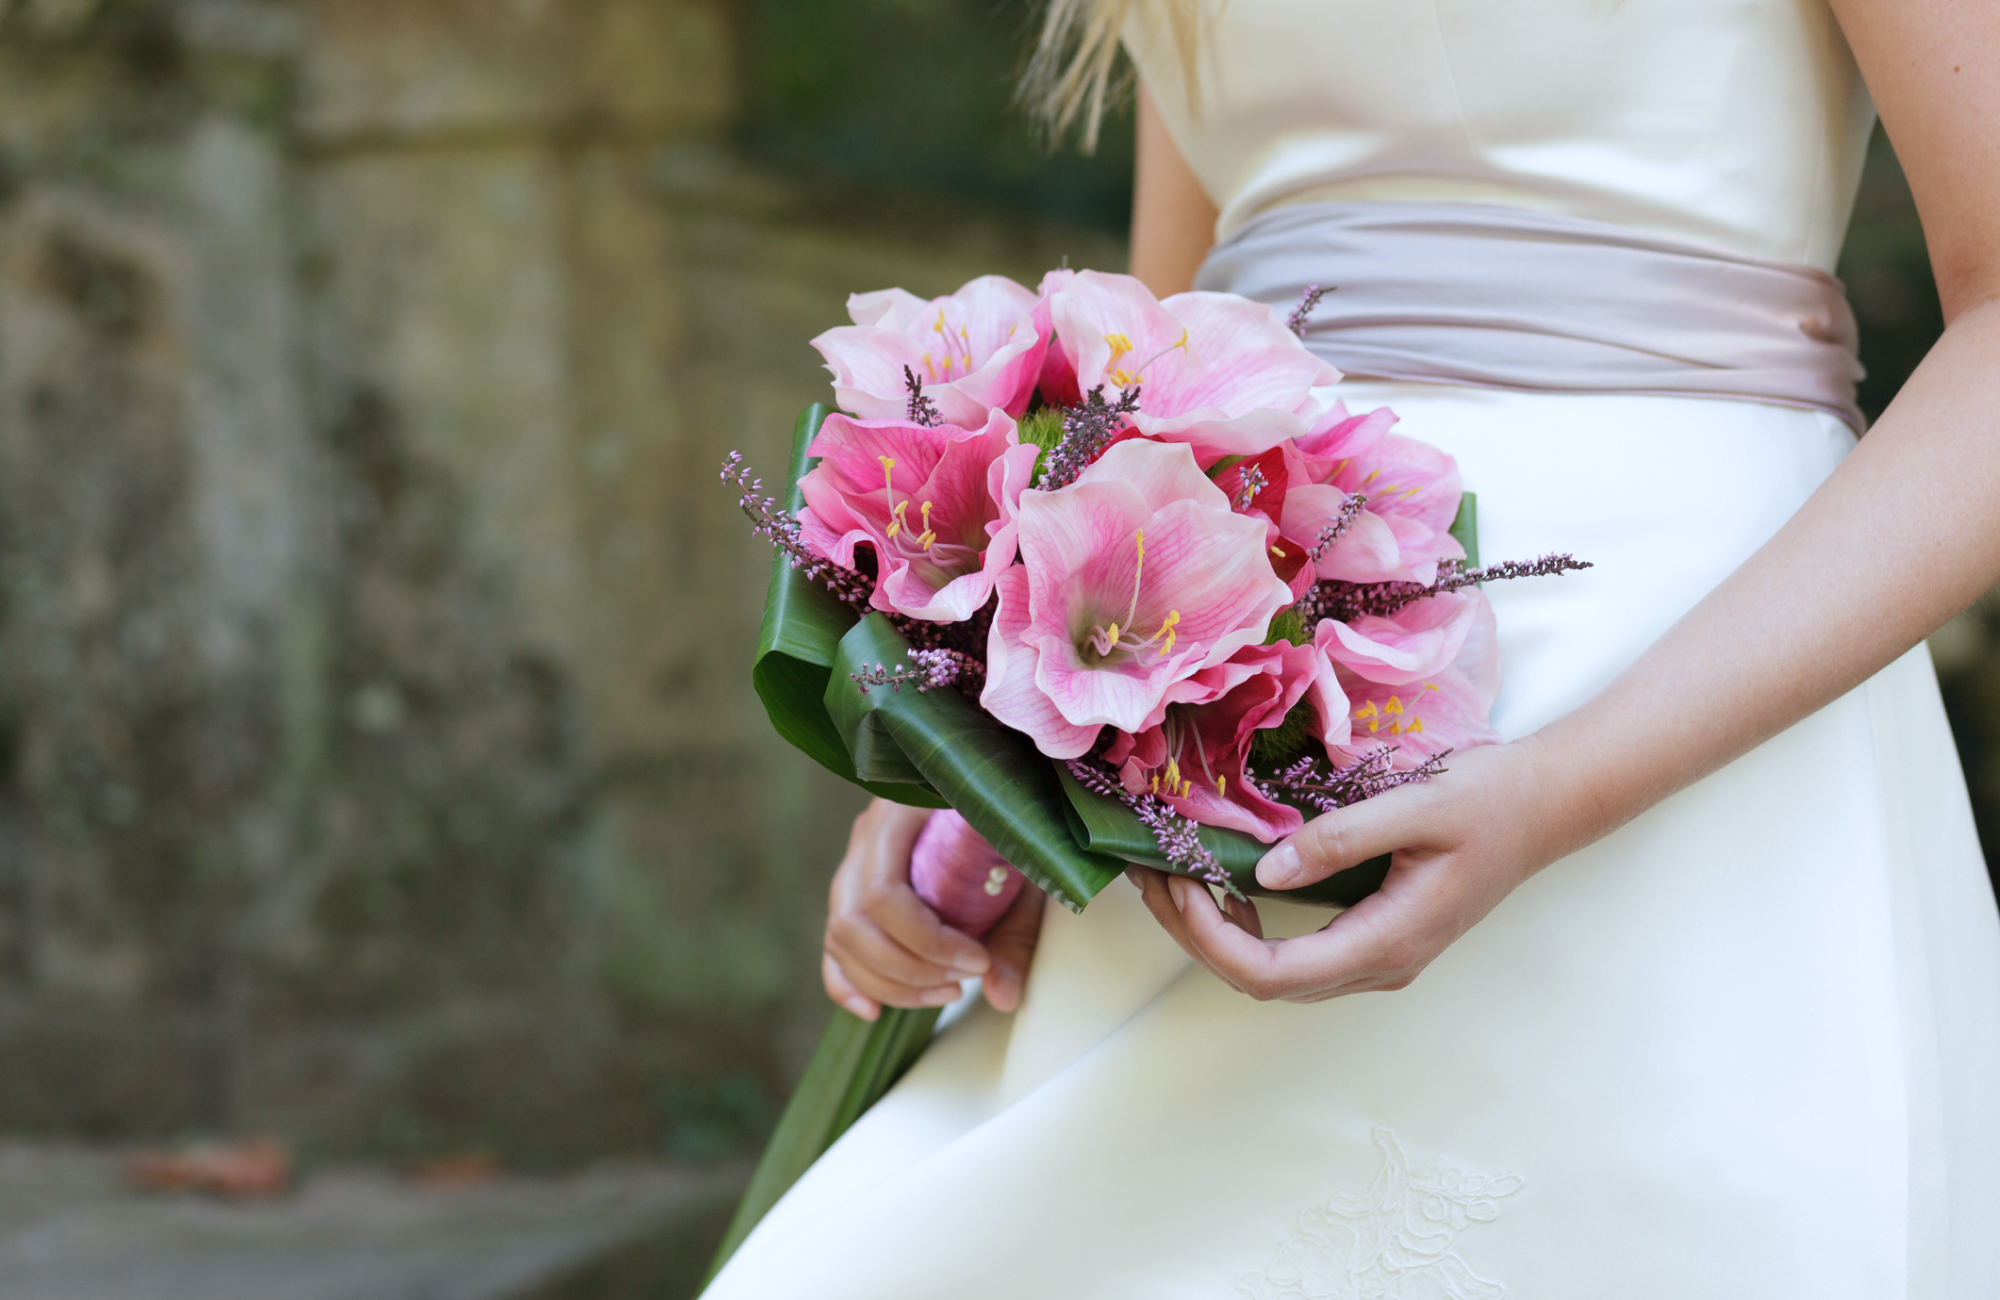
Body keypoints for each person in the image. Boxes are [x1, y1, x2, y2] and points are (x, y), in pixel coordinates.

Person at [708, 1, 2000, 1294]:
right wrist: (979, 742)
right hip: (1236, 724)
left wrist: (1565, 782)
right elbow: (1167, 357)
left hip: (1678, 680)